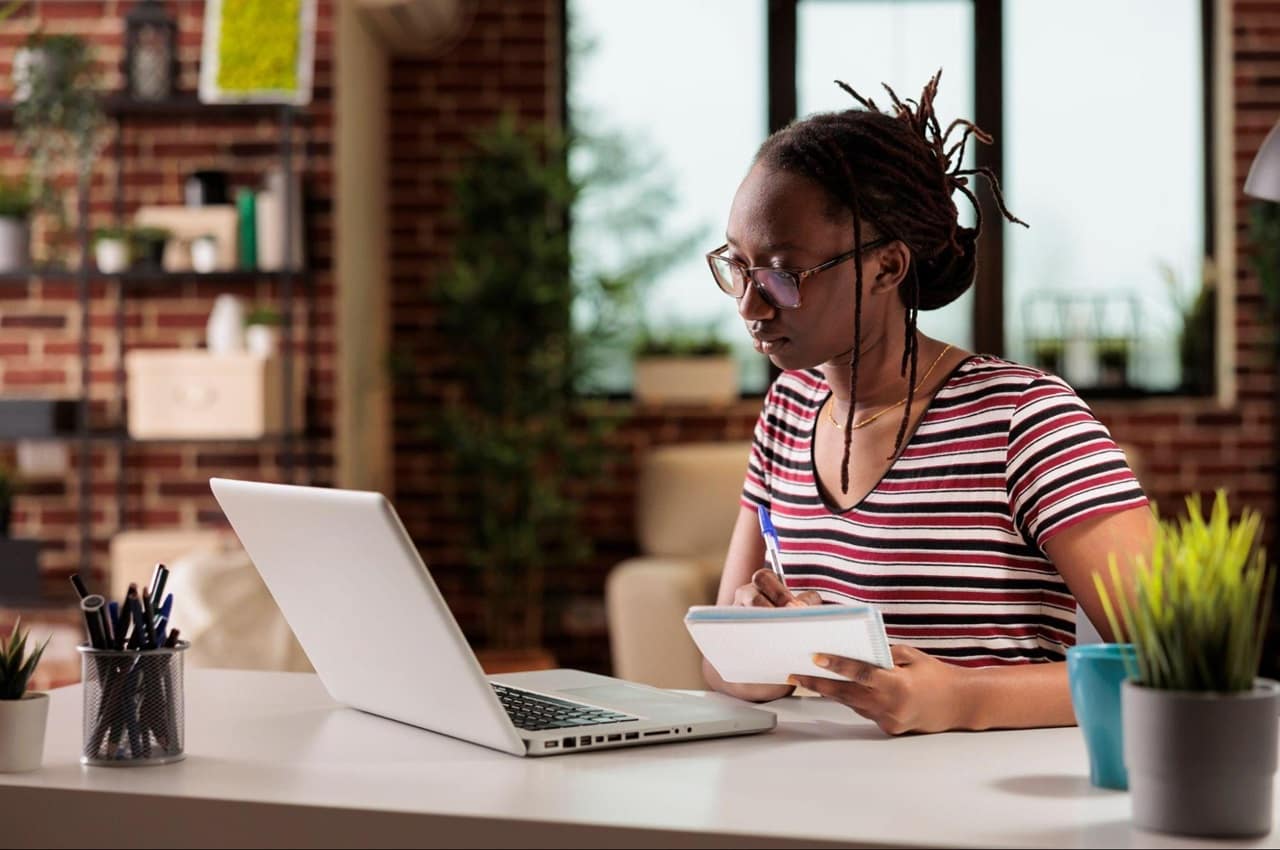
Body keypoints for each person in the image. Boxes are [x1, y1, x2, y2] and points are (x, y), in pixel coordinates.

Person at [701, 71, 1154, 735]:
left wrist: (962, 699)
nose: (748, 303)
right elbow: (725, 671)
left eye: (781, 273)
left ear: (887, 267)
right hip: (815, 801)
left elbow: (1173, 664)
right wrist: (764, 645)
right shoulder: (788, 412)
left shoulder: (1025, 419)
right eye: (737, 265)